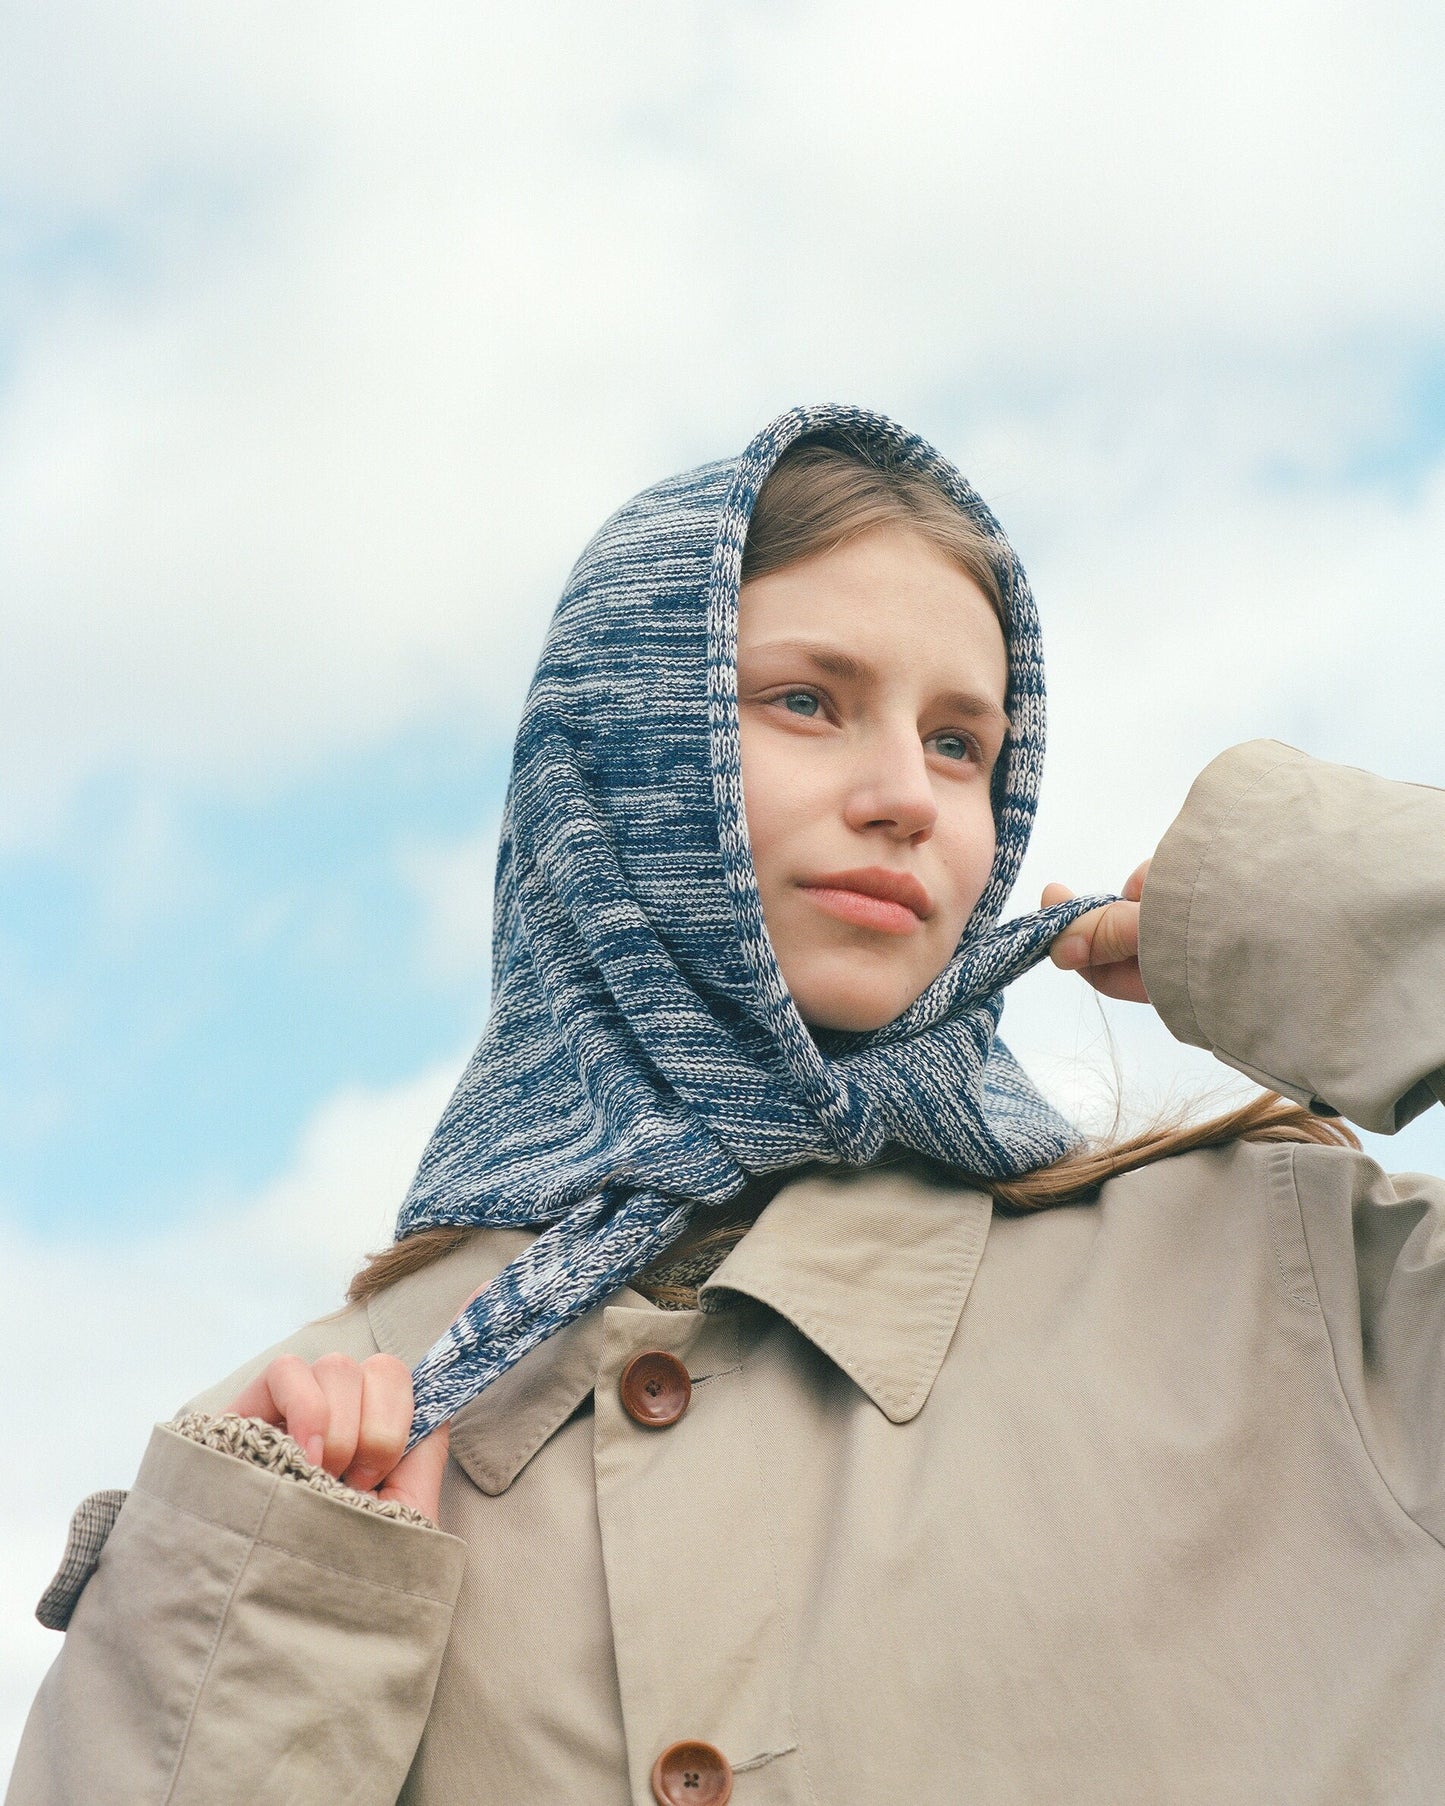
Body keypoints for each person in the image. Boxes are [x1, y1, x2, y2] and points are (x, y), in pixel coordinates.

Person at [8, 403, 1445, 1806]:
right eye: (807, 701)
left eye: (961, 743)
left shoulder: (1295, 1293)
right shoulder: (304, 1441)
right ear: (626, 760)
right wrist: (294, 1632)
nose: (909, 797)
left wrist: (1286, 909)